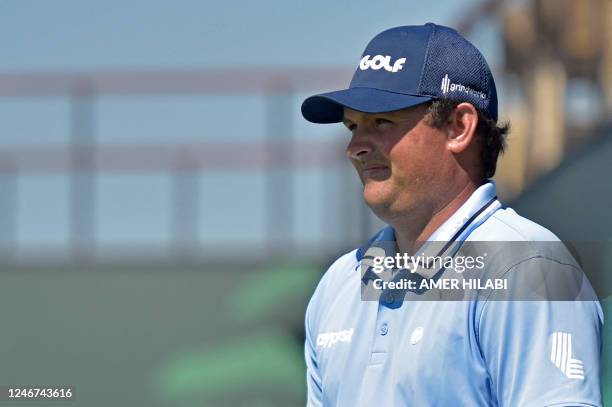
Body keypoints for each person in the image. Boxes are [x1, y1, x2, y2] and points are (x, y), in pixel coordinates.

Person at [300, 23, 603, 406]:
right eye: (352, 126)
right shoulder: (337, 287)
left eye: (381, 122)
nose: (355, 147)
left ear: (459, 127)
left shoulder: (530, 269)